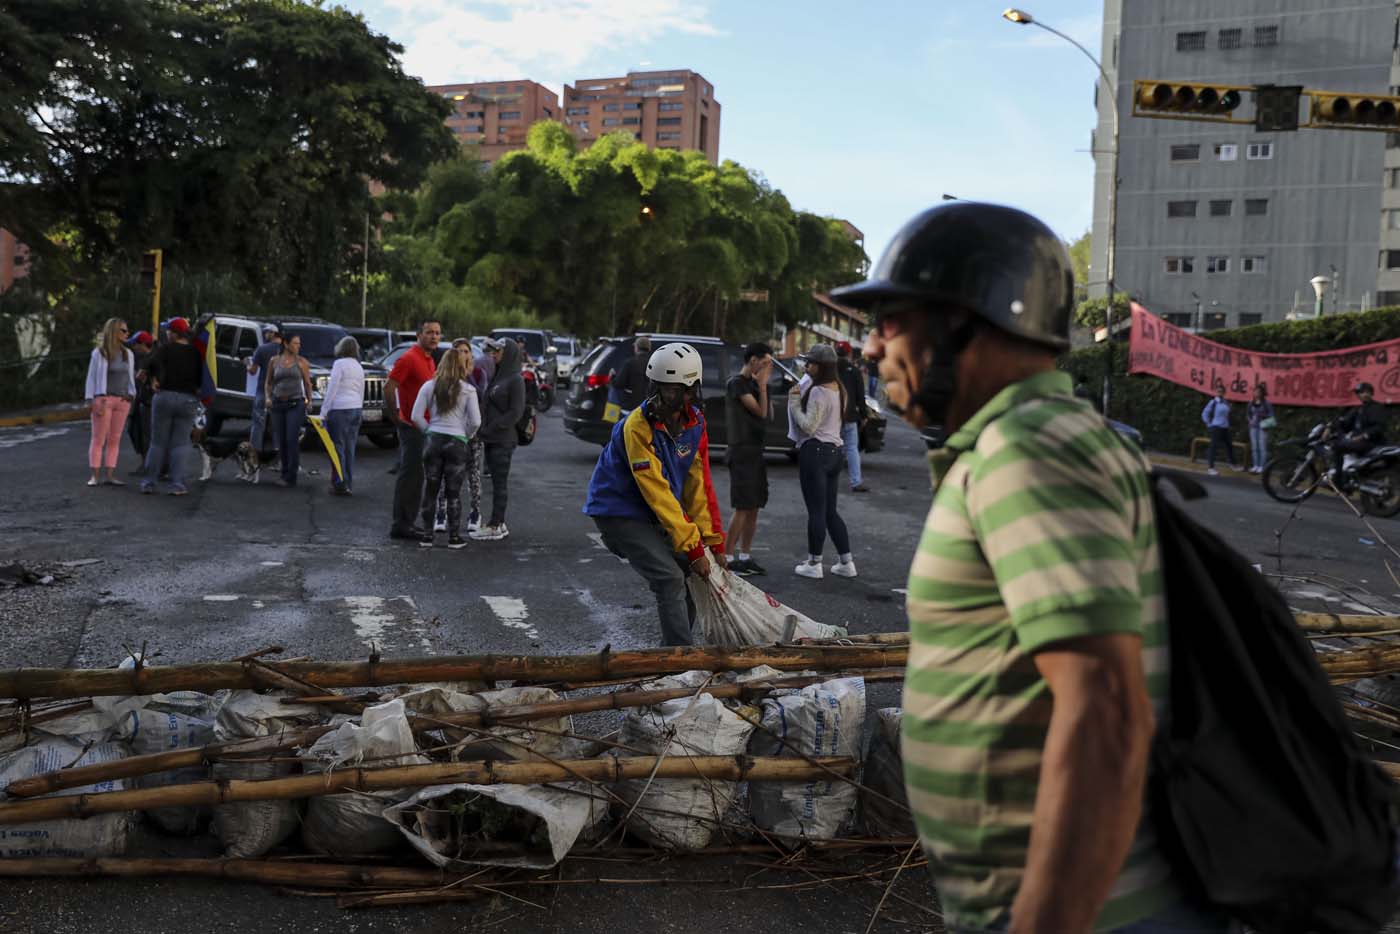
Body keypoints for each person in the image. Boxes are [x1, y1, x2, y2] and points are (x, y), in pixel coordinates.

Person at [835, 201, 1196, 934]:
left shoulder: (1027, 450)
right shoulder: (1040, 436)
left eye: (888, 322)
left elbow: (1106, 709)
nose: (870, 350)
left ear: (964, 320)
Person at [583, 343, 726, 646]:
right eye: (659, 389)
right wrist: (694, 547)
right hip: (618, 512)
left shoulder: (696, 423)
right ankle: (680, 661)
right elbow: (657, 493)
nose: (663, 398)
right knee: (670, 578)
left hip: (652, 511)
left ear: (691, 390)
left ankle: (674, 651)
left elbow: (698, 487)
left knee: (692, 572)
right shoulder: (637, 427)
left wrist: (712, 542)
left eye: (672, 391)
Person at [788, 344, 856, 579]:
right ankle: (846, 561)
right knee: (829, 511)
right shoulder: (840, 389)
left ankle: (814, 563)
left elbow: (809, 426)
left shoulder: (818, 392)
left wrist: (795, 402)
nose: (807, 366)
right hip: (835, 452)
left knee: (816, 511)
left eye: (811, 363)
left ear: (822, 366)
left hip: (815, 452)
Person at [412, 345, 481, 549]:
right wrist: (465, 436)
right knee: (453, 492)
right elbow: (476, 421)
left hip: (433, 440)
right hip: (457, 442)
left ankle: (427, 536)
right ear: (460, 366)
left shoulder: (428, 386)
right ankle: (454, 537)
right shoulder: (468, 390)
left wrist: (429, 431)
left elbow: (415, 416)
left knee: (431, 489)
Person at [384, 320, 441, 541]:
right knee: (410, 476)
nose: (434, 337)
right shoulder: (408, 358)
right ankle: (401, 525)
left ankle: (407, 522)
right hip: (411, 427)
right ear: (419, 335)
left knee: (418, 477)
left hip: (426, 427)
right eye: (429, 333)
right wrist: (396, 417)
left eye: (437, 333)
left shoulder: (429, 360)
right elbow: (389, 386)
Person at [140, 317, 205, 495]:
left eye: (168, 330)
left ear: (174, 333)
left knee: (158, 443)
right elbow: (202, 378)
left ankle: (149, 483)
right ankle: (177, 484)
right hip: (188, 399)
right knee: (180, 444)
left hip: (164, 397)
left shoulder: (165, 349)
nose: (166, 333)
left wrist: (152, 379)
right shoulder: (196, 352)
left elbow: (148, 363)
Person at [725, 342, 772, 576]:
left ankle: (745, 555)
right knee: (742, 506)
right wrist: (762, 386)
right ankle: (728, 557)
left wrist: (763, 386)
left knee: (755, 506)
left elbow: (768, 415)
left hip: (756, 452)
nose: (766, 368)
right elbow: (760, 412)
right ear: (753, 360)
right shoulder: (737, 384)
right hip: (741, 451)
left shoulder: (756, 385)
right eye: (764, 363)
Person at [473, 337, 526, 541]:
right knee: (496, 482)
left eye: (497, 352)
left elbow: (516, 412)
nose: (493, 355)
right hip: (493, 439)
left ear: (509, 354)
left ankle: (495, 524)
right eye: (492, 351)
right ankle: (499, 522)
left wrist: (492, 428)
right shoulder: (499, 376)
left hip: (503, 439)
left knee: (500, 484)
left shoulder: (515, 380)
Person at [83, 318, 137, 487]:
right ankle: (94, 476)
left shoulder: (128, 353)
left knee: (115, 438)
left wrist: (131, 394)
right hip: (104, 400)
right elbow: (91, 377)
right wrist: (90, 400)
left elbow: (130, 377)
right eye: (124, 330)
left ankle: (110, 475)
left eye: (127, 330)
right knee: (99, 438)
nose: (127, 333)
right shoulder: (99, 353)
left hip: (122, 401)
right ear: (113, 331)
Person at [264, 333, 312, 487]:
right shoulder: (274, 361)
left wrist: (309, 400)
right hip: (278, 404)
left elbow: (307, 383)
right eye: (295, 343)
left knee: (292, 439)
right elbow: (268, 383)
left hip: (295, 404)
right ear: (286, 344)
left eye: (299, 343)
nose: (298, 346)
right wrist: (268, 397)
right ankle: (284, 473)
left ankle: (291, 476)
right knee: (282, 440)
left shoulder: (302, 362)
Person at [322, 335, 364, 495]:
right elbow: (361, 390)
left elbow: (332, 389)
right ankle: (348, 483)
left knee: (337, 447)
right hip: (355, 409)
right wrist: (359, 410)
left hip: (339, 409)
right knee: (350, 448)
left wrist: (324, 412)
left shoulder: (339, 364)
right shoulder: (359, 366)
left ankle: (340, 483)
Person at [1332, 381, 1387, 480]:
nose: (1364, 394)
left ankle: (1338, 478)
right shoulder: (1358, 409)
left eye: (1367, 392)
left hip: (1371, 442)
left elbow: (1379, 427)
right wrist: (1329, 427)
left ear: (1371, 393)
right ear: (1358, 395)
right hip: (1358, 440)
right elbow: (1345, 422)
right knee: (1338, 442)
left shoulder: (1377, 407)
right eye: (1361, 393)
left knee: (1337, 447)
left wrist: (1363, 436)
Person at [835, 340, 870, 493]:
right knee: (851, 448)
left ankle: (829, 479)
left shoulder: (829, 369)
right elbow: (860, 397)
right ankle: (856, 482)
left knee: (834, 448)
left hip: (832, 416)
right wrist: (864, 415)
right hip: (849, 416)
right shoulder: (855, 371)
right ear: (849, 353)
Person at [245, 324, 281, 453]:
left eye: (266, 333)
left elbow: (253, 371)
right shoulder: (286, 350)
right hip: (281, 392)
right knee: (278, 425)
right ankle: (279, 456)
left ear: (272, 333)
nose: (265, 335)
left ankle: (254, 454)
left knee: (258, 423)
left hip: (263, 390)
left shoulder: (262, 349)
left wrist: (247, 365)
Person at [125, 330, 155, 464]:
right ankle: (145, 461)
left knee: (146, 433)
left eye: (135, 344)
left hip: (148, 400)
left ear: (143, 344)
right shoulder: (139, 357)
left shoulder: (153, 358)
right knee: (134, 430)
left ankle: (149, 464)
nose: (133, 347)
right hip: (139, 398)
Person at [610, 336, 652, 418]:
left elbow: (618, 384)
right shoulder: (653, 363)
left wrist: (612, 376)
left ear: (636, 348)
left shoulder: (630, 363)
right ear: (649, 348)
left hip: (630, 406)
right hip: (647, 407)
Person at [1201, 383, 1238, 476]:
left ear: (1224, 392)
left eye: (1221, 391)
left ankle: (1232, 464)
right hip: (1216, 427)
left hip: (1225, 427)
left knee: (1229, 446)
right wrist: (1208, 424)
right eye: (1218, 391)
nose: (1220, 393)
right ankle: (1211, 468)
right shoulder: (1213, 402)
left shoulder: (1225, 402)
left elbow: (1227, 414)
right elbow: (1204, 413)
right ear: (1216, 392)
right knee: (1213, 447)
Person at [1246, 383, 1275, 474]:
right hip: (1253, 427)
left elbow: (1271, 415)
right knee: (1255, 447)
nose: (1257, 393)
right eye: (1255, 392)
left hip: (1263, 427)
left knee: (1262, 447)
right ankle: (1255, 465)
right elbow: (1248, 414)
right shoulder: (1251, 403)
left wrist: (1263, 416)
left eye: (1258, 392)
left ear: (1262, 393)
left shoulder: (1266, 404)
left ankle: (1262, 466)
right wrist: (1250, 420)